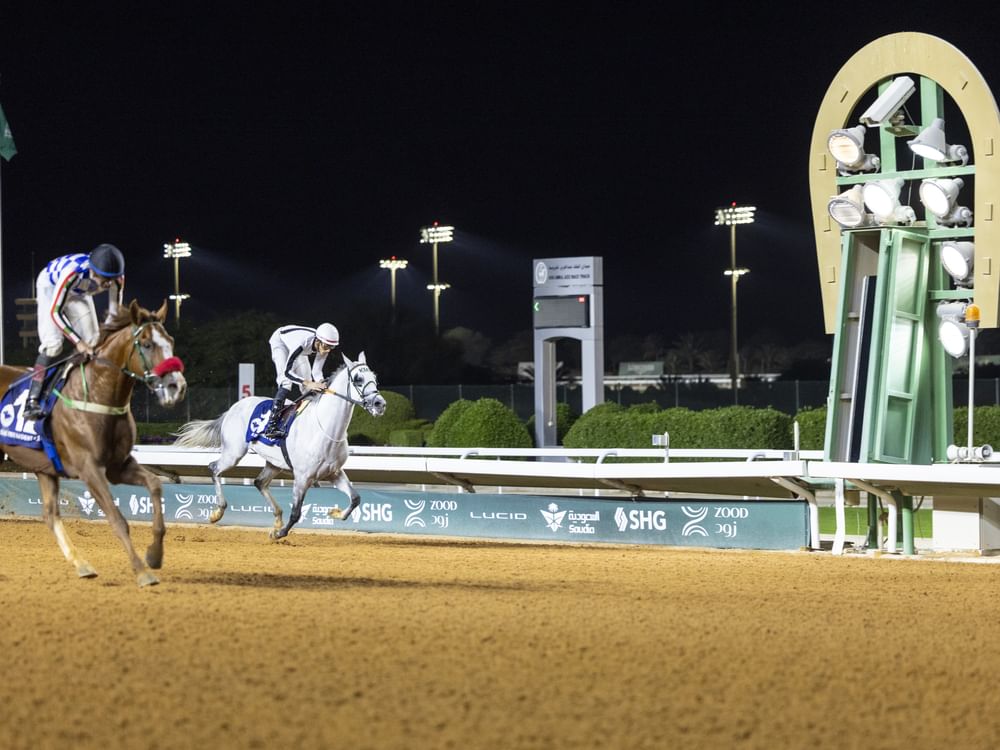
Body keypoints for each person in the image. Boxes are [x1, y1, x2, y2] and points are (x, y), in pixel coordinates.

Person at [23, 243, 125, 419]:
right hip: (51, 286)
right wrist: (78, 342)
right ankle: (32, 400)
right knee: (53, 345)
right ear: (92, 271)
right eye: (104, 279)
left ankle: (79, 389)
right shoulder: (72, 272)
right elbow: (55, 312)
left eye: (112, 279)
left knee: (94, 341)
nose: (108, 284)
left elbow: (114, 317)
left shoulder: (118, 278)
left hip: (79, 292)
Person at [262, 322, 340, 438]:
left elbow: (317, 372)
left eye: (331, 347)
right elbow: (287, 372)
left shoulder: (323, 343)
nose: (327, 350)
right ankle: (271, 425)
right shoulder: (301, 343)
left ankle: (309, 421)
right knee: (286, 382)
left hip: (298, 349)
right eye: (326, 346)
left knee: (307, 385)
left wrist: (321, 383)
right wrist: (310, 383)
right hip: (281, 343)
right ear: (318, 341)